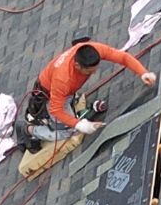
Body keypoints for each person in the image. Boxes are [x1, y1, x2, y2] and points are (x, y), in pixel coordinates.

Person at [25, 37, 153, 147]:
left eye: (95, 69)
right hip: (48, 95)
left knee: (70, 109)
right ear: (77, 66)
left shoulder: (93, 49)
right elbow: (56, 110)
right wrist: (79, 124)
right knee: (69, 132)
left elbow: (122, 57)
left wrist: (143, 73)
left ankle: (74, 108)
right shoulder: (63, 80)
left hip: (65, 92)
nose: (94, 73)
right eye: (89, 71)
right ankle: (29, 130)